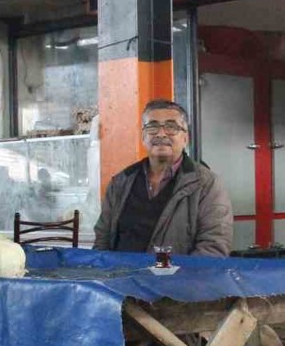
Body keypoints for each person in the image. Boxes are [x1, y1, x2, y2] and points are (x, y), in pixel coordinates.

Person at [94, 99, 233, 257]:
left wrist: (172, 278)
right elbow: (102, 239)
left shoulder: (206, 184)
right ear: (143, 136)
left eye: (171, 127)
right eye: (152, 127)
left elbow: (214, 246)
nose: (161, 134)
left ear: (185, 138)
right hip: (122, 278)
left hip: (177, 279)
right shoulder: (121, 181)